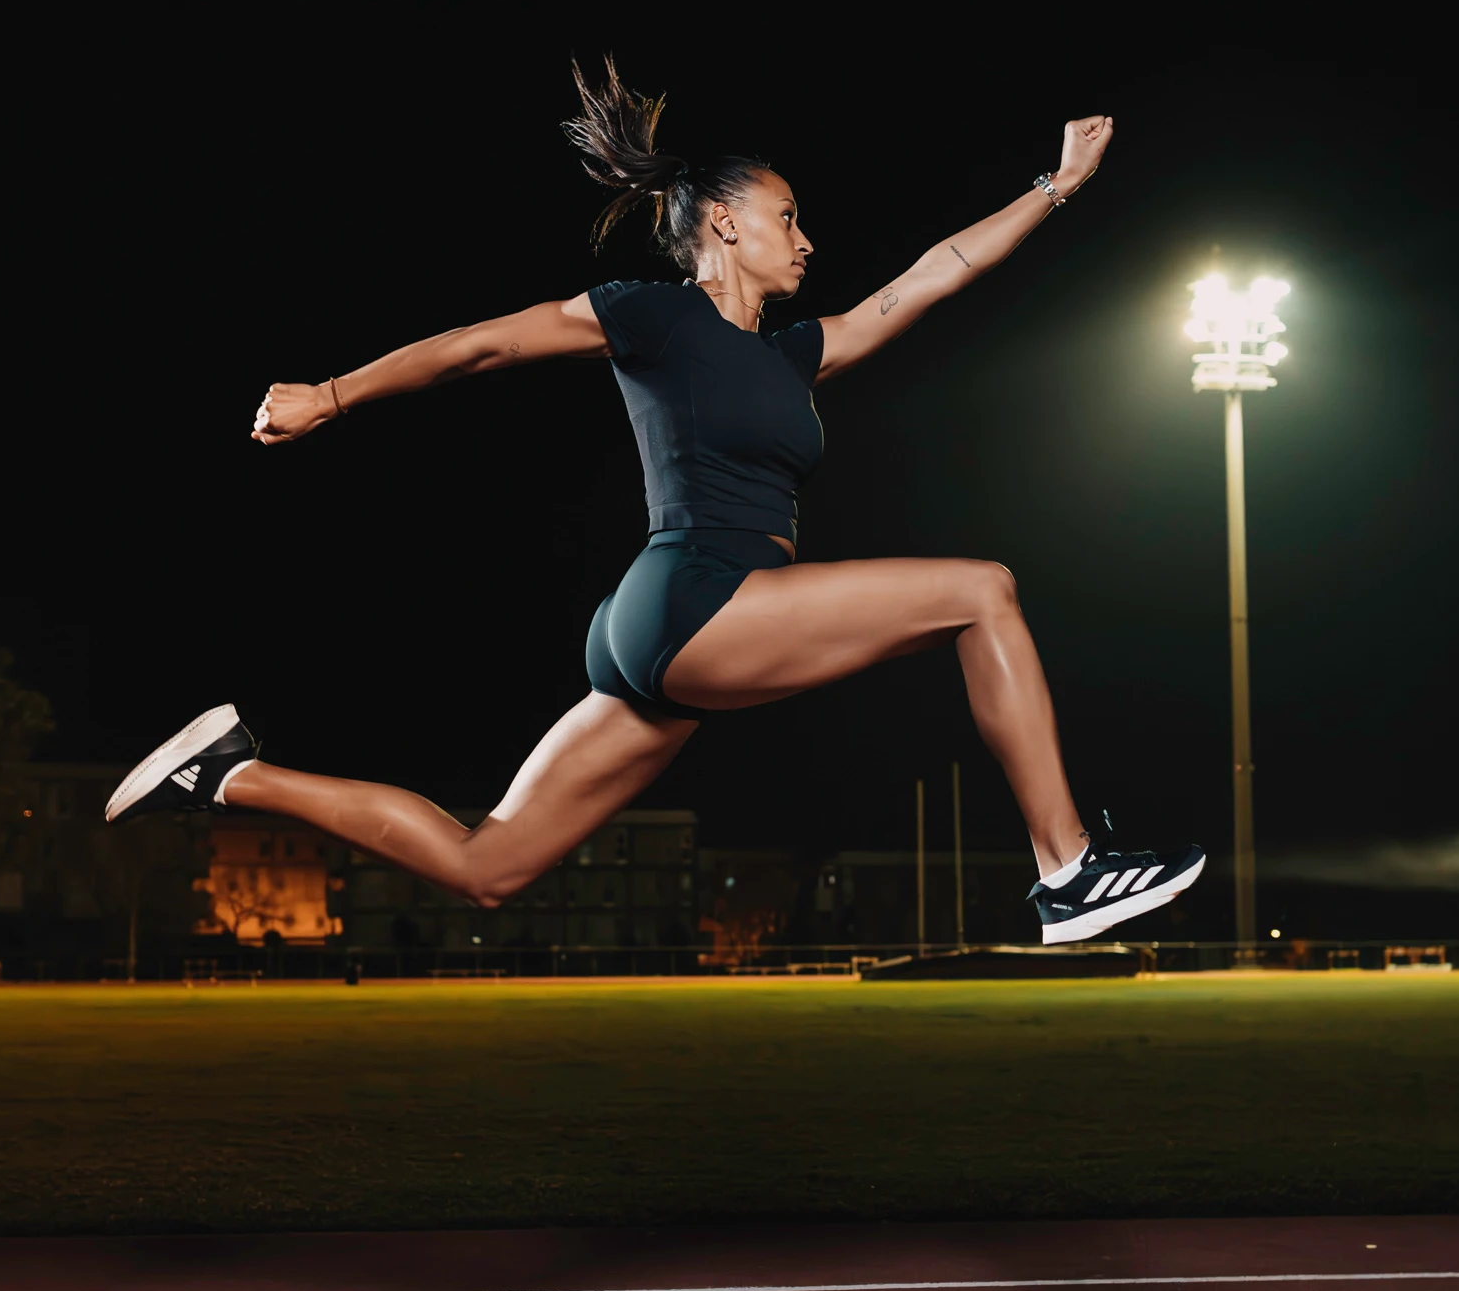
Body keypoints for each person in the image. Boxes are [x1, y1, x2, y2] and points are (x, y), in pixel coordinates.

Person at [108, 59, 1200, 945]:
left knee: (488, 865)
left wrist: (1058, 187)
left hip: (667, 637)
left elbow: (931, 275)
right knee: (982, 590)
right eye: (788, 214)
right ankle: (1068, 869)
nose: (807, 236)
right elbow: (487, 342)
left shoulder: (794, 355)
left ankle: (229, 772)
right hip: (696, 597)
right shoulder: (651, 316)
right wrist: (333, 395)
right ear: (722, 223)